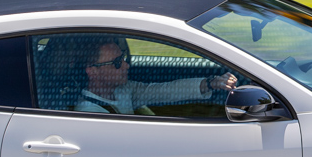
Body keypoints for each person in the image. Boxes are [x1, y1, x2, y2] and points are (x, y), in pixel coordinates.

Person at [47, 35, 236, 115]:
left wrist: (211, 83)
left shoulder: (123, 89)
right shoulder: (90, 112)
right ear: (92, 71)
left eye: (122, 58)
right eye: (116, 63)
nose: (126, 65)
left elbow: (165, 91)